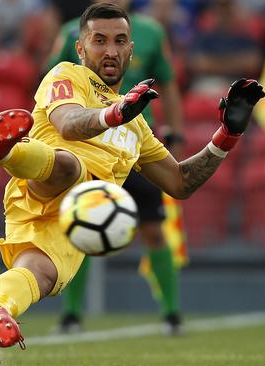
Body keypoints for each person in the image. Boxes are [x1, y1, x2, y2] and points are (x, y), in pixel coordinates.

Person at [0, 2, 265, 349]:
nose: (110, 50)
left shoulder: (137, 124)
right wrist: (113, 113)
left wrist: (226, 137)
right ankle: (8, 151)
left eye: (120, 41)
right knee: (73, 168)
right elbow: (69, 124)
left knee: (41, 275)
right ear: (80, 47)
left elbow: (180, 183)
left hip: (69, 222)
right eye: (99, 40)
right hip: (46, 181)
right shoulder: (67, 75)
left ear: (131, 50)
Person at [47, 0, 186, 335]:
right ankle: (72, 314)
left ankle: (171, 313)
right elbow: (53, 81)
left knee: (153, 229)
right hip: (90, 145)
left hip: (138, 146)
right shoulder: (71, 33)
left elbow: (167, 83)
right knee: (81, 226)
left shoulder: (151, 31)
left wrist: (177, 133)